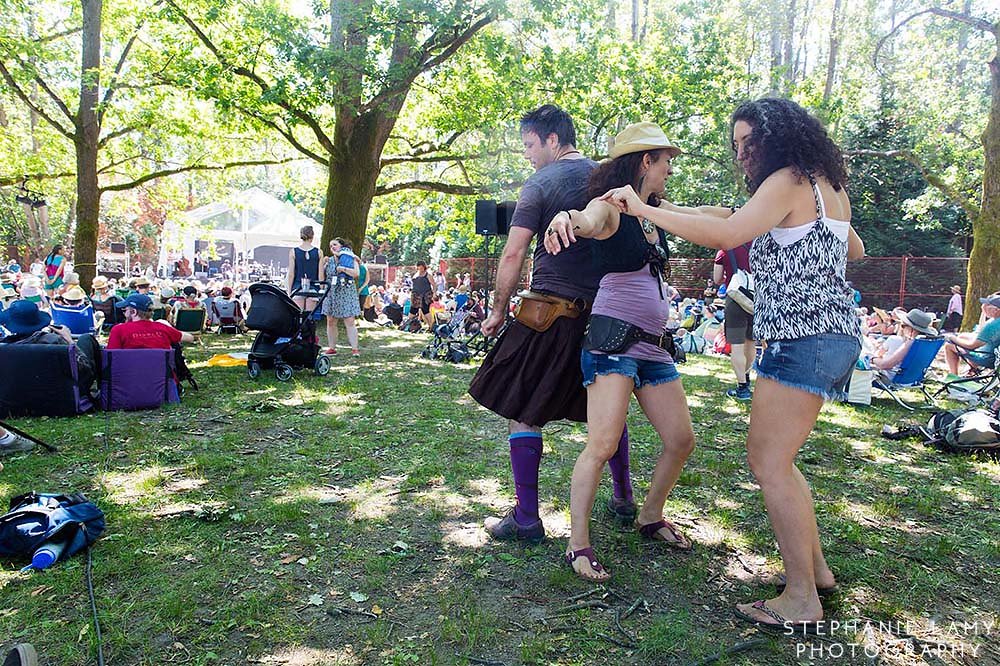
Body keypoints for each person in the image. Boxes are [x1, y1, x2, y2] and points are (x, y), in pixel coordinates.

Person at [599, 98, 865, 630]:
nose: (743, 154)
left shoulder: (788, 179)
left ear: (779, 138)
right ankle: (816, 572)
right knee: (780, 460)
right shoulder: (823, 184)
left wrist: (645, 209)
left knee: (768, 462)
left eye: (751, 143)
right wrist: (684, 212)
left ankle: (800, 599)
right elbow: (849, 248)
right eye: (737, 144)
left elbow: (726, 235)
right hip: (832, 333)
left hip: (804, 335)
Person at [468, 104, 635, 544]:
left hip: (550, 314)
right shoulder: (611, 181)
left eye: (529, 145)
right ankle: (623, 496)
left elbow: (512, 253)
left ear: (553, 141)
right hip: (607, 317)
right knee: (609, 413)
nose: (527, 155)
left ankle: (526, 517)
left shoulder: (541, 183)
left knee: (521, 408)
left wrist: (498, 310)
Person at [543, 121, 703, 581]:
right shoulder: (610, 204)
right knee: (602, 443)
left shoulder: (653, 209)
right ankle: (578, 545)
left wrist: (757, 210)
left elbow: (703, 213)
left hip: (653, 348)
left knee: (681, 440)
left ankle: (650, 516)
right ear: (646, 161)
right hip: (613, 343)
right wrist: (565, 219)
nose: (670, 168)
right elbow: (587, 220)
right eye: (666, 160)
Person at [0, 300, 101, 397]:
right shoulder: (53, 341)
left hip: (19, 394)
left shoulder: (5, 347)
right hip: (60, 394)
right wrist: (69, 340)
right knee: (86, 339)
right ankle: (104, 386)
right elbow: (85, 370)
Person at [714, 240, 756, 400]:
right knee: (751, 343)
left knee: (737, 347)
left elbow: (717, 278)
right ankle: (747, 379)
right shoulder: (760, 243)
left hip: (735, 298)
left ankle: (742, 386)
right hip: (755, 299)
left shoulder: (725, 248)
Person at [320, 238, 361, 356]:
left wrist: (343, 269)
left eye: (335, 244)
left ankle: (355, 349)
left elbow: (356, 273)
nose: (332, 247)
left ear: (342, 246)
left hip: (347, 292)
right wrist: (323, 264)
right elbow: (322, 275)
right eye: (330, 245)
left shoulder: (351, 257)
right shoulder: (329, 260)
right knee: (331, 321)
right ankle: (332, 348)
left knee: (350, 321)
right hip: (332, 292)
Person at [943, 293, 1000, 378]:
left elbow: (971, 346)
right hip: (995, 357)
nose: (984, 306)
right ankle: (971, 371)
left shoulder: (992, 325)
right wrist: (984, 312)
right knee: (964, 337)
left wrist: (952, 337)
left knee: (949, 346)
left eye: (988, 305)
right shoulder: (995, 321)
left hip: (987, 359)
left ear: (996, 310)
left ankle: (954, 377)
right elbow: (981, 333)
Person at [870, 309, 937, 381]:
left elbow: (885, 365)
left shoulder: (910, 343)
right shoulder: (927, 344)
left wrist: (871, 358)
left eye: (903, 326)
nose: (901, 328)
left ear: (912, 330)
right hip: (913, 379)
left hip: (890, 378)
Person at [107, 294, 195, 349]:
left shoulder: (118, 330)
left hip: (129, 377)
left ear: (134, 312)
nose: (124, 313)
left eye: (124, 310)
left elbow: (112, 356)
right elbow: (190, 338)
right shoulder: (162, 327)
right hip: (162, 377)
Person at [287, 225, 322, 311]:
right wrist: (322, 289)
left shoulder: (293, 252)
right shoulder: (319, 252)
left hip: (298, 286)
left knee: (299, 315)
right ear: (312, 236)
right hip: (313, 286)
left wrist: (289, 290)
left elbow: (291, 274)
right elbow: (320, 273)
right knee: (309, 316)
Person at [410, 262, 435, 329]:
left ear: (424, 267)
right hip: (416, 296)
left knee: (426, 311)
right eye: (419, 267)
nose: (420, 269)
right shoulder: (416, 274)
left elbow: (434, 285)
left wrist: (434, 293)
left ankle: (432, 327)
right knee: (413, 310)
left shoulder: (428, 275)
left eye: (422, 267)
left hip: (425, 296)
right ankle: (408, 326)